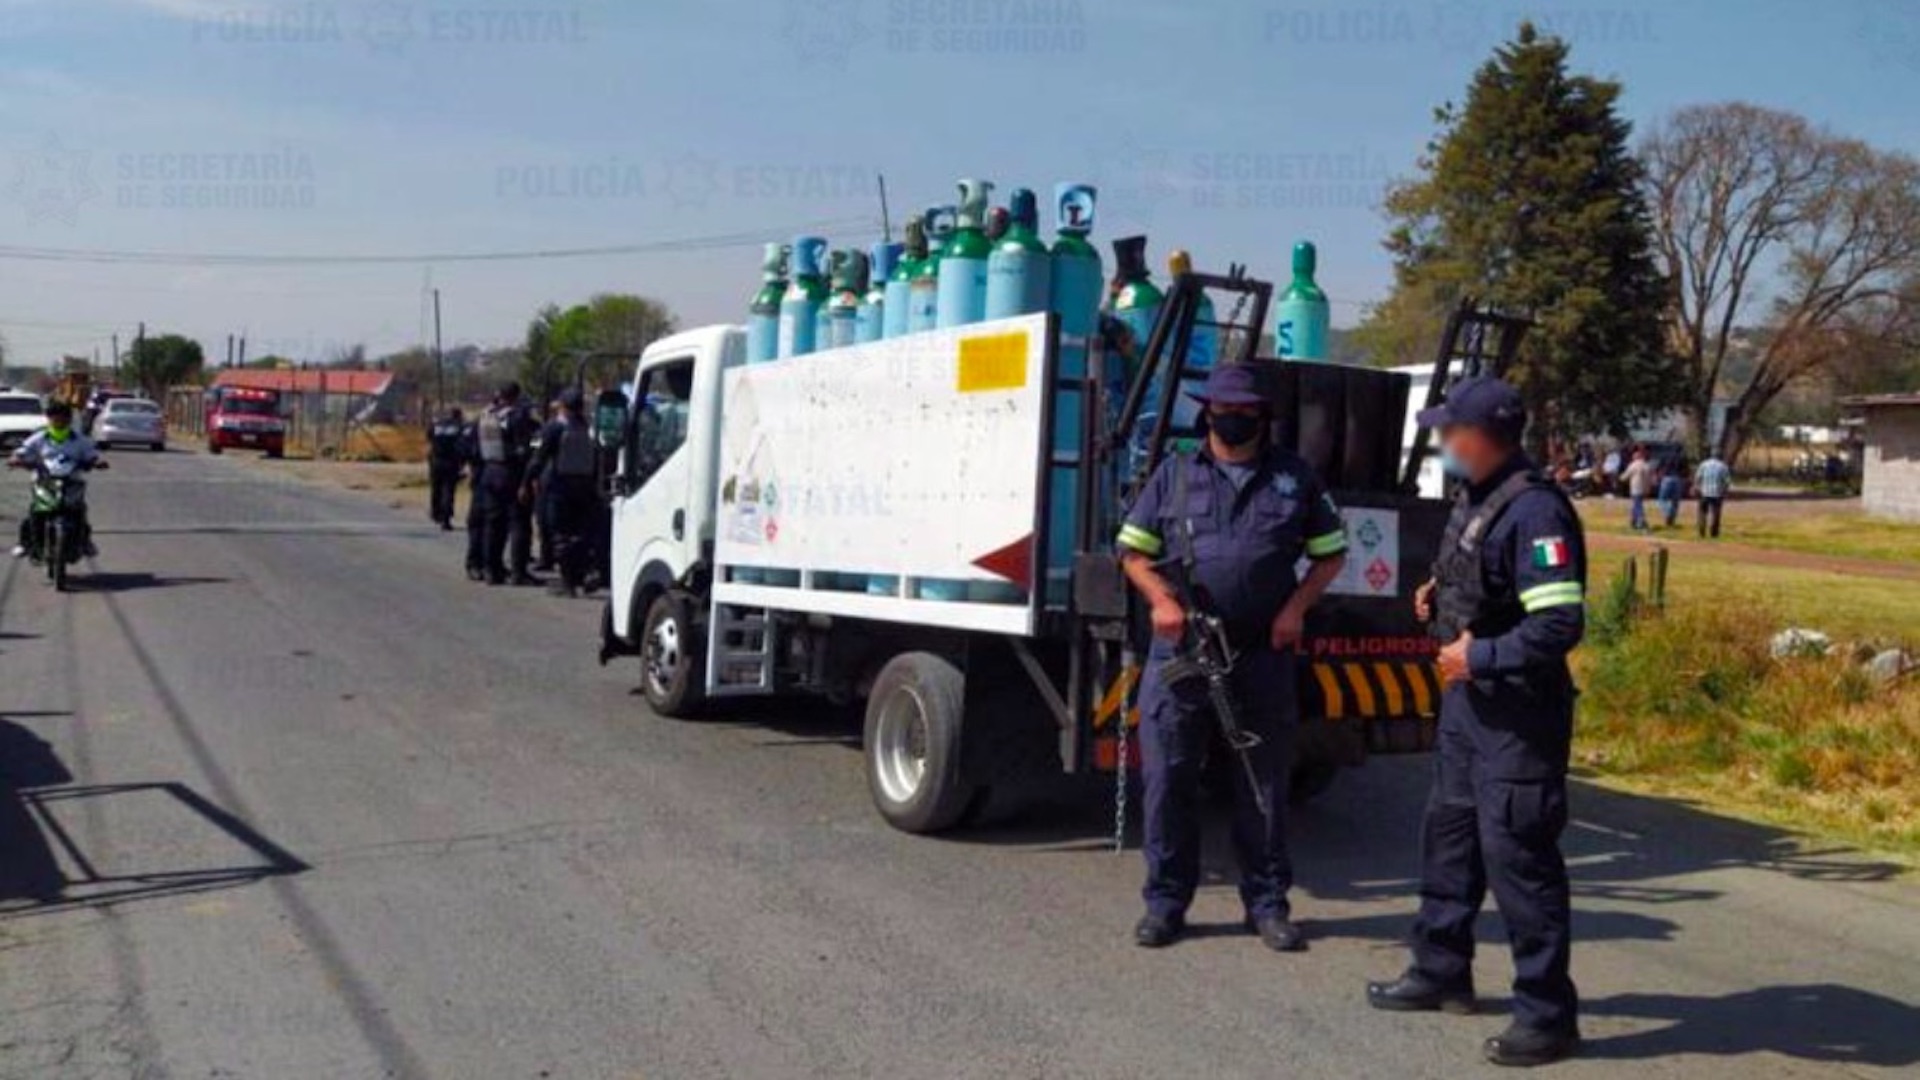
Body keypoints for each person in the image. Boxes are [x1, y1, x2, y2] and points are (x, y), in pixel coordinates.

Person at [1365, 376, 1586, 1069]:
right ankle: (1440, 970)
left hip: (1518, 715)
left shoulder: (1537, 513)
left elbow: (1559, 622)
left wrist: (1480, 654)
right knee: (1450, 840)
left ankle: (1547, 1016)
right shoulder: (1477, 496)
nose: (1441, 442)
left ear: (1480, 437)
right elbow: (1472, 572)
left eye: (1448, 431)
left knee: (1520, 862)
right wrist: (1439, 595)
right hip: (1468, 707)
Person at [1116, 365, 1348, 953]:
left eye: (1246, 408)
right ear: (1207, 411)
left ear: (1262, 415)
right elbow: (1133, 553)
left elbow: (1330, 555)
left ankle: (1267, 904)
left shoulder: (1294, 479)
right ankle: (1165, 903)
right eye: (1225, 408)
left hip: (1261, 652)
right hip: (1183, 648)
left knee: (1262, 784)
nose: (1235, 417)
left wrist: (1295, 609)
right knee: (1169, 779)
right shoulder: (1173, 474)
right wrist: (1162, 601)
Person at [523, 388, 602, 597]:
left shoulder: (553, 428)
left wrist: (525, 482)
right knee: (581, 534)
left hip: (559, 488)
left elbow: (537, 456)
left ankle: (568, 583)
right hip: (585, 488)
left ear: (563, 406)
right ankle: (583, 574)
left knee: (560, 535)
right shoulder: (588, 428)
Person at [9, 401, 108, 559]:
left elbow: (92, 455)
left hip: (71, 482)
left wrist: (97, 462)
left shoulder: (80, 440)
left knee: (78, 511)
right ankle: (25, 544)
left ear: (69, 420)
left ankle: (85, 542)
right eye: (55, 418)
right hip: (44, 482)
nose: (59, 421)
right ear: (49, 419)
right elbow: (22, 451)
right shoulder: (39, 438)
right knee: (36, 512)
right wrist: (16, 459)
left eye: (63, 418)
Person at [475, 382, 542, 587]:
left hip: (489, 471)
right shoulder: (519, 416)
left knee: (493, 523)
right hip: (511, 473)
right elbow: (527, 447)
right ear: (517, 395)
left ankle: (491, 570)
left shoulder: (488, 414)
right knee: (519, 523)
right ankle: (518, 572)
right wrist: (527, 479)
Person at [426, 407, 466, 531]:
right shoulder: (459, 427)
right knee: (448, 490)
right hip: (451, 462)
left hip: (436, 460)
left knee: (436, 488)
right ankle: (446, 519)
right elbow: (463, 445)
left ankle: (435, 512)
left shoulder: (437, 424)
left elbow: (429, 437)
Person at [1694, 452, 1731, 539]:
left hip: (1704, 493)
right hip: (1717, 493)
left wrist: (1696, 488)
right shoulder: (1723, 466)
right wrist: (1724, 491)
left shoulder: (1704, 464)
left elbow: (1698, 478)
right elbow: (1727, 481)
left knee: (1702, 512)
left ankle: (1701, 531)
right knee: (1716, 514)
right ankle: (1714, 533)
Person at [1620, 447, 1652, 531]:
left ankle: (1642, 523)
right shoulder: (1646, 465)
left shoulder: (1633, 465)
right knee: (1636, 505)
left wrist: (1620, 478)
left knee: (1637, 505)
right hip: (1644, 488)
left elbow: (1625, 476)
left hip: (1636, 488)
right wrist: (1648, 488)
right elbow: (1649, 478)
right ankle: (1633, 523)